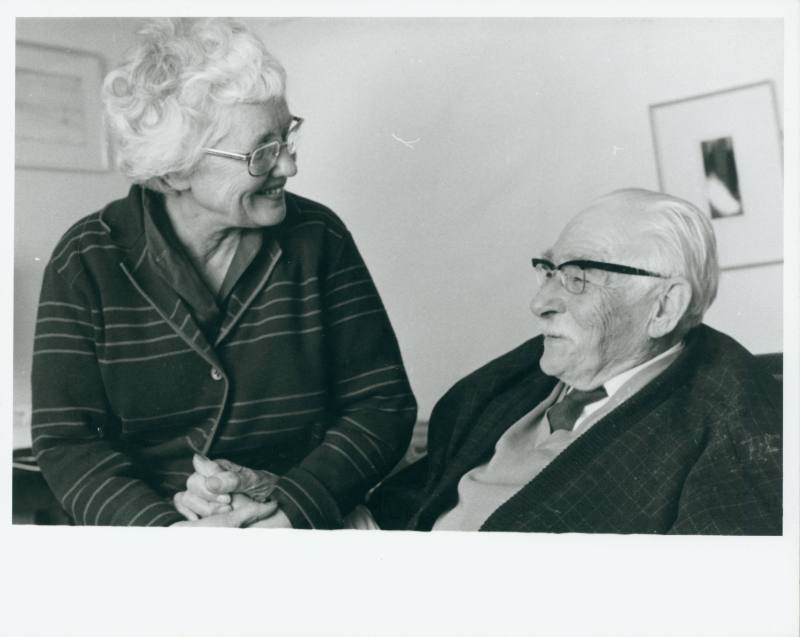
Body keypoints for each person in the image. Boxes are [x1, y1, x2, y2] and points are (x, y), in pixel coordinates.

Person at [30, 18, 416, 528]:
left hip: (297, 506)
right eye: (261, 152)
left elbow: (381, 403)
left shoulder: (319, 237)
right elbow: (68, 440)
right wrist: (166, 534)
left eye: (286, 137)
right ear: (175, 170)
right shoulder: (87, 257)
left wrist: (292, 512)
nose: (288, 168)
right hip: (147, 525)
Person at [369, 188, 781, 535]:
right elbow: (419, 493)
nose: (539, 303)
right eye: (549, 270)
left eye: (578, 277)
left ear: (664, 308)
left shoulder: (738, 425)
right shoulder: (513, 378)